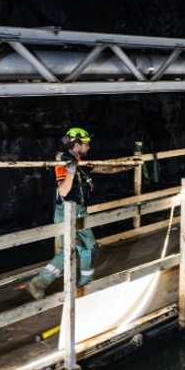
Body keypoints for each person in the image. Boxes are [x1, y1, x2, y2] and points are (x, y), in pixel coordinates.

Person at [26, 127, 136, 299]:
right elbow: (63, 191)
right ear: (76, 144)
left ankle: (39, 284)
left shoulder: (81, 163)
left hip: (78, 211)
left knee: (70, 251)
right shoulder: (62, 162)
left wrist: (129, 165)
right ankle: (84, 284)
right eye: (86, 144)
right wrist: (71, 172)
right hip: (68, 212)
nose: (89, 147)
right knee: (88, 249)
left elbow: (104, 168)